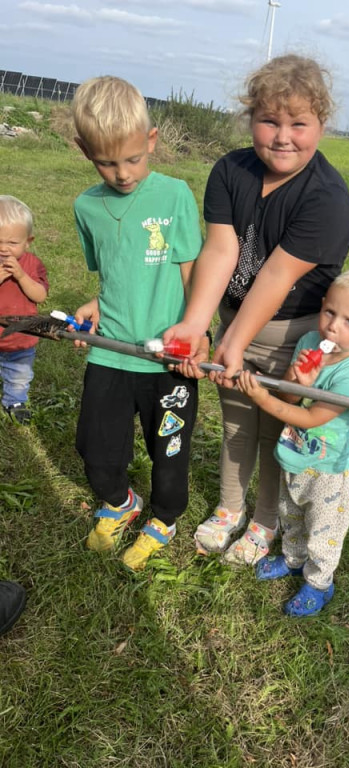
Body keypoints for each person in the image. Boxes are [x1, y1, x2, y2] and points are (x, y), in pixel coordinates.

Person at [164, 54, 349, 566]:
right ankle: (230, 508)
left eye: (300, 123)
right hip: (237, 323)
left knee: (276, 427)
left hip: (293, 333)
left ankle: (266, 520)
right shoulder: (230, 170)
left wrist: (234, 343)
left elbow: (275, 275)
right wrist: (198, 325)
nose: (283, 136)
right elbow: (222, 250)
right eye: (269, 120)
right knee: (236, 423)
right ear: (251, 119)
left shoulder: (328, 198)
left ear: (321, 124)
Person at [71, 76, 205, 571]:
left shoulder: (174, 196)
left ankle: (166, 517)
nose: (123, 173)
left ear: (151, 141)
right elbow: (114, 272)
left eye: (132, 159)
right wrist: (96, 304)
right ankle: (121, 500)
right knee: (95, 447)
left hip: (167, 358)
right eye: (107, 162)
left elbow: (193, 270)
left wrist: (198, 330)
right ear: (84, 150)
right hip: (110, 350)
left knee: (169, 450)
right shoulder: (86, 207)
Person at [236, 269, 349, 616]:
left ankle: (319, 582)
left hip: (327, 470)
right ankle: (292, 559)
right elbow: (289, 400)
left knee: (323, 529)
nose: (333, 326)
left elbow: (310, 417)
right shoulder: (307, 343)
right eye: (330, 312)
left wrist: (262, 398)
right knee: (291, 514)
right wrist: (295, 379)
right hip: (294, 455)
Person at [0, 195, 49, 425]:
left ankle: (14, 401)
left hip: (21, 337)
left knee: (19, 374)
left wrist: (20, 275)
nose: (3, 249)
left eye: (12, 243)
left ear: (28, 241)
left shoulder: (32, 264)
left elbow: (40, 295)